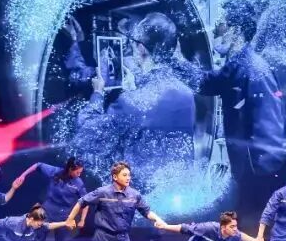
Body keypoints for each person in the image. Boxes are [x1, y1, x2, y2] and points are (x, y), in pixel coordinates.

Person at [75, 13, 197, 188]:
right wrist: (138, 86)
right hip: (178, 189)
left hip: (141, 197)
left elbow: (87, 135)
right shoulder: (187, 93)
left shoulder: (131, 102)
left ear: (141, 48)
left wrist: (98, 93)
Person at [172, 0, 286, 178]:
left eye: (220, 24)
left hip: (257, 171)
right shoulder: (244, 64)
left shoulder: (248, 67)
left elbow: (205, 83)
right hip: (254, 168)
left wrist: (176, 60)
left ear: (236, 30)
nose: (214, 30)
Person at [18, 158, 88, 241]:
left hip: (65, 216)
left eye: (80, 172)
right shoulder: (55, 172)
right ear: (70, 169)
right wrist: (23, 175)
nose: (79, 174)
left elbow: (85, 202)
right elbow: (38, 164)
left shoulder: (79, 183)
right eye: (77, 172)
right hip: (47, 212)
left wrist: (82, 219)